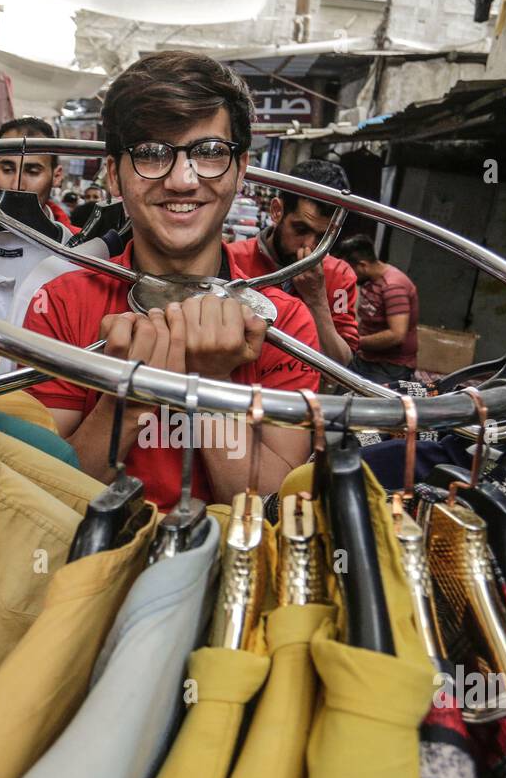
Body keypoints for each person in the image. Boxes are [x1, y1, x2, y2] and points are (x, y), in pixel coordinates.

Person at [23, 51, 320, 511]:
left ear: (240, 171)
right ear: (114, 175)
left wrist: (210, 382)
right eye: (151, 153)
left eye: (208, 153)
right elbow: (42, 494)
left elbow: (267, 511)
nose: (182, 180)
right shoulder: (61, 304)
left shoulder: (284, 324)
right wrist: (132, 399)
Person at [225, 158, 359, 365]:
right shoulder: (233, 258)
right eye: (300, 229)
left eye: (323, 237)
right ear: (277, 211)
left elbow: (341, 365)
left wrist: (317, 301)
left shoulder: (339, 275)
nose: (310, 246)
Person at [0, 116, 79, 236]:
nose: (17, 185)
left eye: (33, 172)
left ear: (56, 176)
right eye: (7, 170)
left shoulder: (79, 245)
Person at [333, 233, 419, 386]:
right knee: (340, 393)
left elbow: (396, 335)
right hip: (365, 357)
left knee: (363, 404)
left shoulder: (393, 286)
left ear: (363, 265)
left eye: (349, 270)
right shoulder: (370, 281)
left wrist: (355, 342)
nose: (347, 275)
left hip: (390, 366)